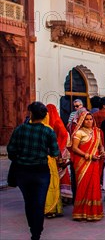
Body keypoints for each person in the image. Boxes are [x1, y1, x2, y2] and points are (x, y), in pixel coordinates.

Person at [7, 102, 60, 240]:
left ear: (31, 114)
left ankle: (33, 228)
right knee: (39, 202)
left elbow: (10, 150)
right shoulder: (48, 131)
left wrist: (20, 157)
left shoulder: (20, 129)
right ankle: (37, 231)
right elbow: (55, 152)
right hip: (41, 170)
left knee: (29, 201)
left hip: (23, 171)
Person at [71, 113, 105, 221]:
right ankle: (80, 212)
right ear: (82, 120)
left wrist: (103, 152)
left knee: (94, 186)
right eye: (86, 120)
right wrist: (88, 156)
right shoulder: (79, 132)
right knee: (83, 186)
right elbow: (74, 148)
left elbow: (100, 146)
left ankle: (93, 212)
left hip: (94, 163)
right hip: (83, 163)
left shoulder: (97, 132)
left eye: (91, 119)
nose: (89, 121)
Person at [43, 104, 70, 218]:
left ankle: (47, 206)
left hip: (44, 158)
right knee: (56, 181)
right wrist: (61, 153)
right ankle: (57, 205)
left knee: (48, 183)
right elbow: (65, 136)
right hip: (56, 155)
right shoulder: (57, 123)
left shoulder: (44, 125)